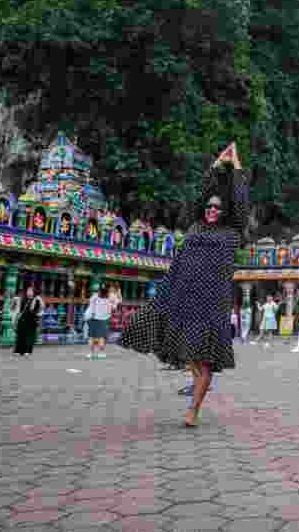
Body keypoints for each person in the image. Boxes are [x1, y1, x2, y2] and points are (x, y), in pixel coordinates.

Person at [121, 142, 249, 428]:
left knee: (205, 359)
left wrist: (236, 165)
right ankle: (193, 387)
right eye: (209, 206)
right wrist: (217, 164)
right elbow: (199, 195)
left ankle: (193, 409)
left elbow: (240, 202)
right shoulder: (195, 225)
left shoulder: (232, 229)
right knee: (179, 345)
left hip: (211, 302)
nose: (212, 210)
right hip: (180, 295)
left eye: (218, 207)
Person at [84, 283, 114, 359]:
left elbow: (90, 304)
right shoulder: (110, 298)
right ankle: (101, 353)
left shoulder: (95, 296)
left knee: (91, 337)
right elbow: (113, 308)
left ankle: (90, 353)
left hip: (92, 318)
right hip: (103, 319)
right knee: (101, 337)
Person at [13, 286, 43, 356]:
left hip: (32, 320)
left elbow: (41, 309)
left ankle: (27, 351)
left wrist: (37, 318)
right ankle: (18, 350)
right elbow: (19, 309)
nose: (29, 292)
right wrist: (16, 318)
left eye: (30, 291)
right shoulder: (23, 299)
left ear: (33, 292)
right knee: (20, 335)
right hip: (23, 319)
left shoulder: (37, 299)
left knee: (29, 336)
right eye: (28, 291)